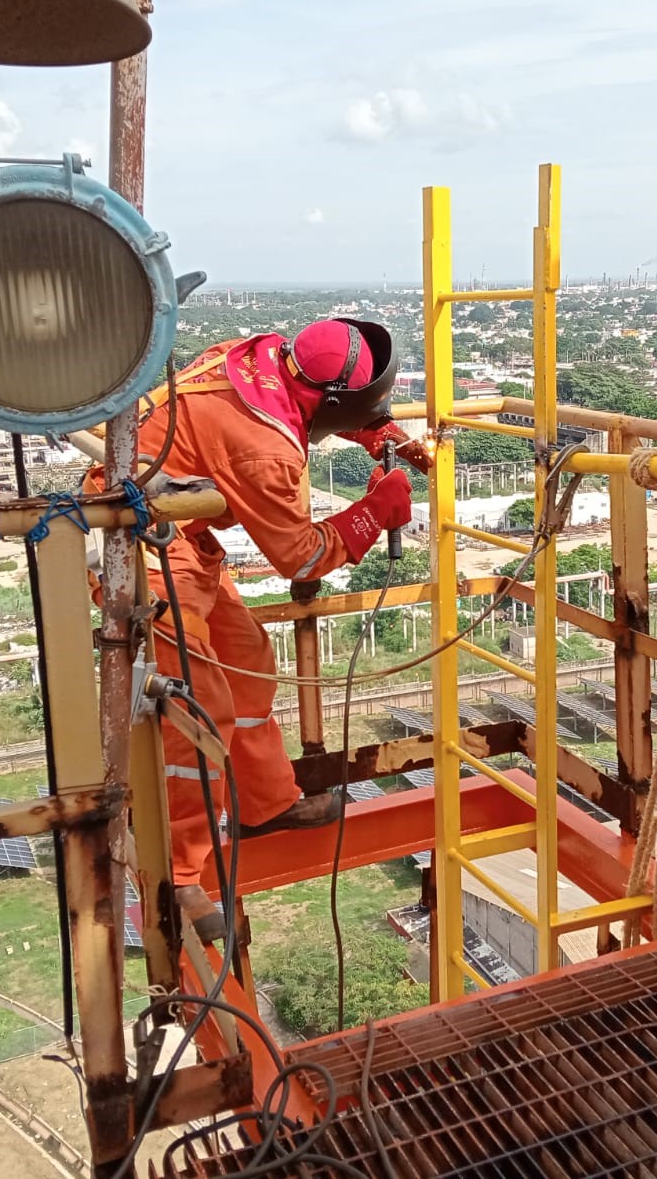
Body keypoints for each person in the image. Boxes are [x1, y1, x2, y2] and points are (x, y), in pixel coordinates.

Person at [86, 319, 418, 943]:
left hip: (179, 531)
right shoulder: (266, 450)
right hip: (136, 544)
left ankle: (263, 805)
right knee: (196, 702)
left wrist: (374, 428)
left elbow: (315, 395)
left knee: (249, 658)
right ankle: (177, 873)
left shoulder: (261, 354)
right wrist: (372, 514)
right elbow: (301, 557)